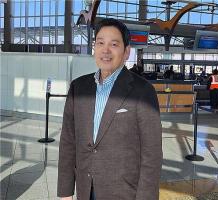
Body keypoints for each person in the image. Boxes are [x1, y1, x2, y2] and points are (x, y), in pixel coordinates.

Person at [57, 18, 162, 200]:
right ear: (94, 48)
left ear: (126, 52)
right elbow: (68, 142)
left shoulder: (143, 91)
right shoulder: (78, 88)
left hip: (124, 192)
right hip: (85, 188)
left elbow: (151, 154)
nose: (105, 50)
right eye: (100, 43)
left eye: (114, 44)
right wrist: (65, 191)